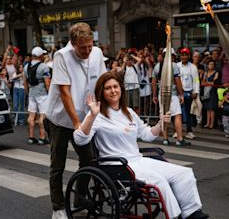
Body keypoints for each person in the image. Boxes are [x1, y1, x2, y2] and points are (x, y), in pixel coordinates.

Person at [73, 72, 209, 219]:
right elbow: (80, 139)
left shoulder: (129, 112)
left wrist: (160, 124)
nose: (113, 91)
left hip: (138, 160)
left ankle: (191, 212)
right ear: (102, 92)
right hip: (117, 165)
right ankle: (174, 216)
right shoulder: (97, 115)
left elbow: (147, 135)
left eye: (115, 86)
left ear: (121, 89)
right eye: (108, 88)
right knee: (159, 181)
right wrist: (92, 115)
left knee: (184, 173)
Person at [45, 22, 107, 219]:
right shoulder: (62, 56)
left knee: (89, 159)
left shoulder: (96, 53)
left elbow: (103, 82)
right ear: (73, 44)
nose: (87, 50)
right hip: (61, 120)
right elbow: (65, 93)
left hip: (85, 117)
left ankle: (79, 199)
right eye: (82, 47)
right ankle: (58, 208)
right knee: (58, 165)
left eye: (90, 45)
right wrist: (76, 125)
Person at [152, 48, 191, 146]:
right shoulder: (173, 65)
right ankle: (179, 139)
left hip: (162, 94)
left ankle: (165, 139)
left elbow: (153, 83)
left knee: (164, 116)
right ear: (171, 55)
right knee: (177, 115)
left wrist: (154, 95)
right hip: (172, 95)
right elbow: (177, 81)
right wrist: (181, 94)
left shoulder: (157, 66)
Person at [24, 47, 51, 144]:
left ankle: (31, 137)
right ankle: (42, 137)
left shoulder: (26, 66)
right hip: (42, 94)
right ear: (40, 56)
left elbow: (25, 82)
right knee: (42, 116)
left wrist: (28, 93)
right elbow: (47, 83)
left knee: (31, 116)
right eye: (43, 55)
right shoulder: (44, 67)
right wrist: (50, 94)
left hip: (32, 93)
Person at [177, 47, 200, 139]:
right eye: (182, 55)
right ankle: (177, 131)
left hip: (189, 92)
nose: (184, 57)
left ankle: (189, 131)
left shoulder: (193, 67)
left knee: (189, 112)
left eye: (186, 55)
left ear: (189, 56)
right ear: (180, 56)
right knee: (178, 113)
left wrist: (196, 91)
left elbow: (196, 80)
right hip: (179, 92)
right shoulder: (177, 66)